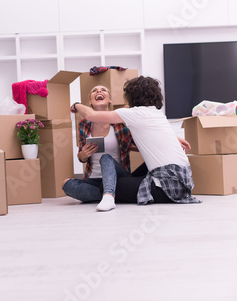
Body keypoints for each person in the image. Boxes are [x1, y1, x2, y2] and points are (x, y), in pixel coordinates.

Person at [70, 76, 201, 206]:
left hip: (167, 187)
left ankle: (108, 196)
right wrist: (173, 138)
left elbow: (90, 115)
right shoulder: (157, 114)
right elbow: (148, 138)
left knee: (107, 184)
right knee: (120, 174)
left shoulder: (133, 114)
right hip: (183, 183)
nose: (99, 92)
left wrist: (76, 105)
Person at [62, 85, 135, 211]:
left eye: (103, 90)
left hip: (119, 178)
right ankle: (110, 195)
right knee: (66, 184)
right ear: (90, 101)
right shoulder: (84, 124)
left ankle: (108, 195)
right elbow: (81, 157)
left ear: (110, 100)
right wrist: (83, 155)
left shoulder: (120, 122)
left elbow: (137, 141)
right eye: (94, 90)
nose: (99, 91)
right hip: (93, 180)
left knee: (106, 158)